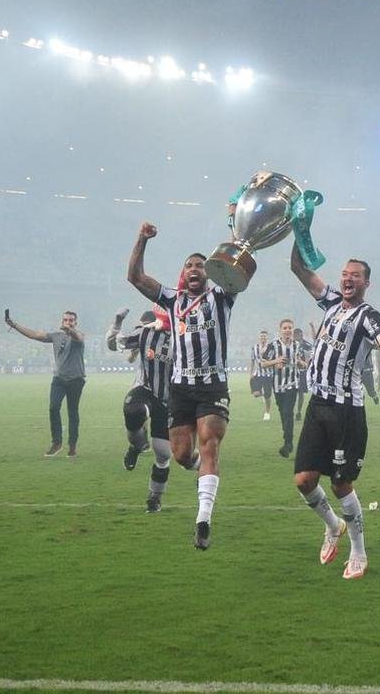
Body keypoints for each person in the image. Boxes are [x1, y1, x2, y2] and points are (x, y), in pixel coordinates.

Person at [288, 245, 380, 580]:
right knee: (304, 480)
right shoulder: (329, 301)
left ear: (366, 284)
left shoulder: (369, 316)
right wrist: (299, 229)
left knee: (341, 483)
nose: (347, 279)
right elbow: (298, 269)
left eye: (355, 276)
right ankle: (333, 526)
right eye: (344, 274)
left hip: (347, 410)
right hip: (318, 404)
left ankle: (359, 552)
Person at [127, 221, 237, 550]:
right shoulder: (172, 300)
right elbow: (134, 277)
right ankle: (196, 469)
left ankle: (203, 518)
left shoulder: (222, 296)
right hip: (180, 388)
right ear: (182, 273)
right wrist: (142, 239)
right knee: (180, 454)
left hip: (213, 386)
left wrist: (236, 226)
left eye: (200, 265)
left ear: (209, 272)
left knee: (209, 445)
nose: (194, 269)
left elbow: (238, 263)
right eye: (189, 265)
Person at [107, 307, 175, 510]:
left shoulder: (187, 337)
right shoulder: (147, 332)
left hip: (168, 399)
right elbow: (113, 345)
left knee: (163, 454)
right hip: (143, 388)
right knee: (134, 411)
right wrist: (117, 322)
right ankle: (136, 446)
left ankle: (155, 497)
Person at [5, 308, 86, 457]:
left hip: (76, 379)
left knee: (72, 412)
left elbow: (78, 337)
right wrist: (14, 325)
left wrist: (70, 330)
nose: (68, 322)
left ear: (76, 322)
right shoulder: (55, 336)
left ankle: (72, 446)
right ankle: (57, 443)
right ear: (61, 321)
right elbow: (35, 335)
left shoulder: (78, 336)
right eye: (65, 320)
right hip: (59, 379)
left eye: (71, 320)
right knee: (53, 407)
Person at [262, 318, 305, 458]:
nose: (287, 330)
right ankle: (288, 439)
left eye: (289, 328)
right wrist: (277, 361)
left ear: (292, 330)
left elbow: (305, 364)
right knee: (283, 412)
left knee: (288, 412)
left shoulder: (298, 345)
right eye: (285, 328)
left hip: (293, 383)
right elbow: (263, 363)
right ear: (280, 330)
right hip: (278, 384)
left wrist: (300, 363)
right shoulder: (273, 345)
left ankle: (288, 444)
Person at [249, 330, 274, 421]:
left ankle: (267, 412)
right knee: (256, 394)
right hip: (258, 374)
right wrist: (251, 373)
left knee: (267, 396)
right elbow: (252, 360)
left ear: (267, 337)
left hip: (268, 374)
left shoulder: (271, 347)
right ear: (259, 337)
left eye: (264, 336)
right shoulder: (255, 347)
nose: (263, 338)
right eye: (261, 336)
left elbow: (272, 360)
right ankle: (263, 394)